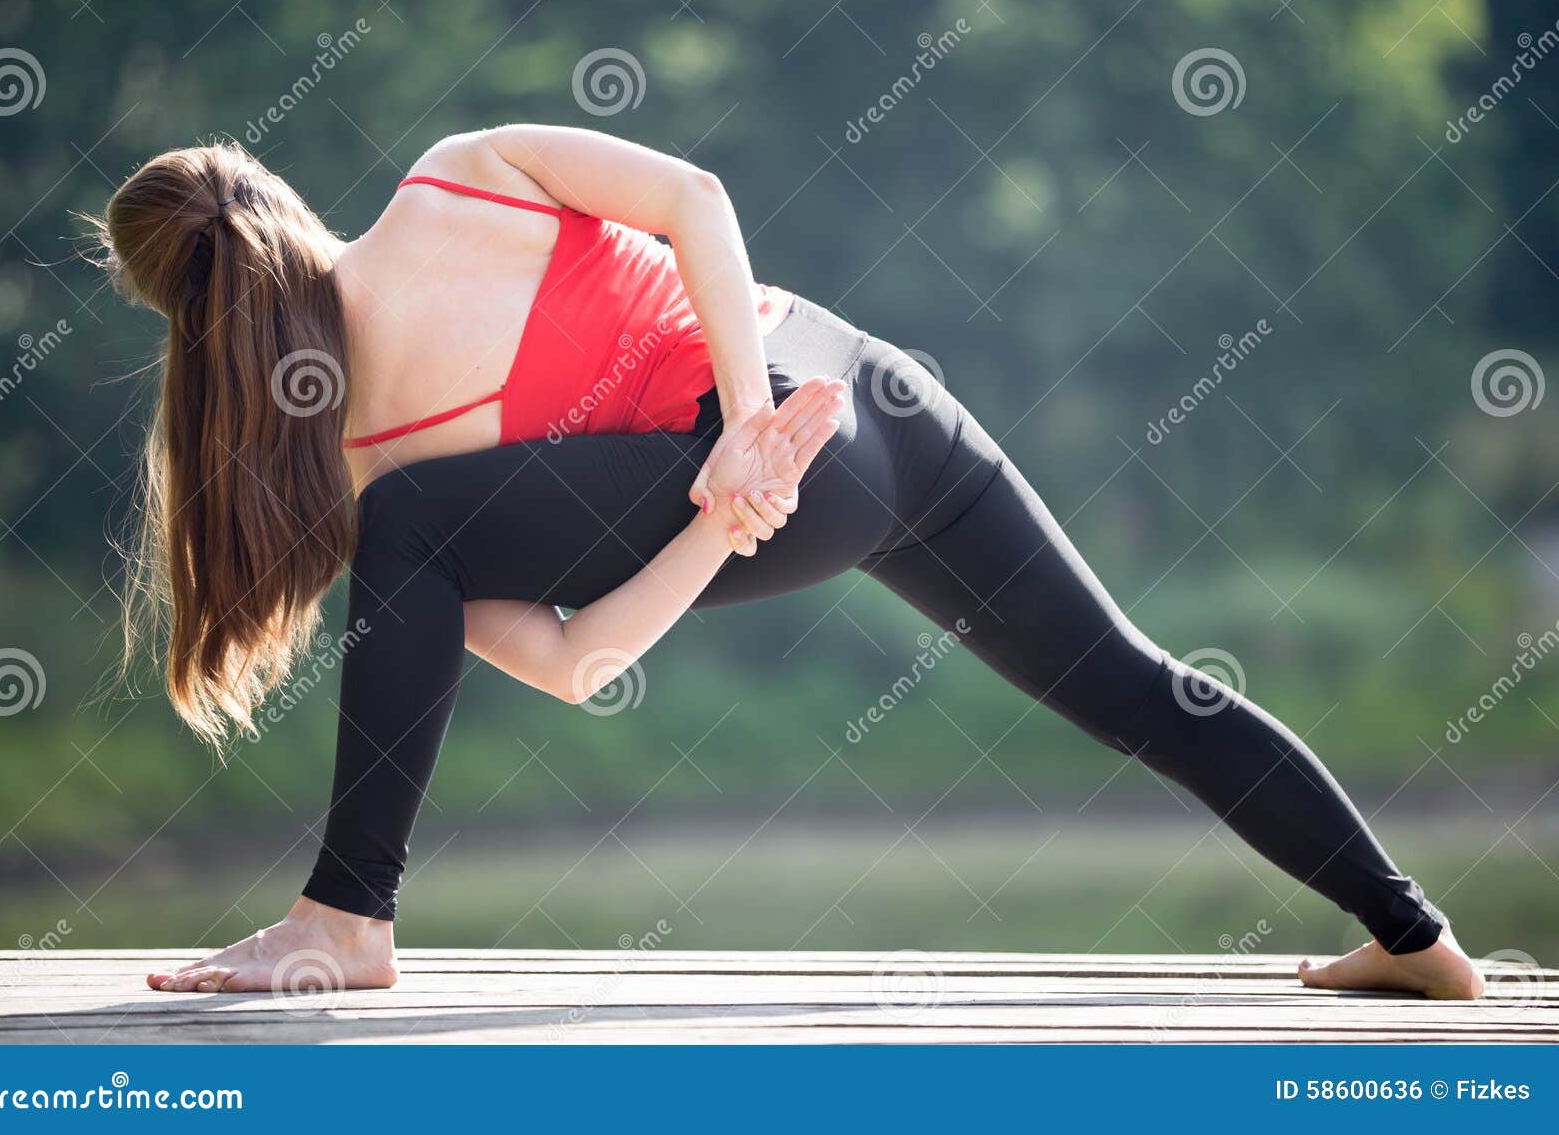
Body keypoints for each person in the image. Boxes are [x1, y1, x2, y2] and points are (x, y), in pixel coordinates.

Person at [96, 127, 1484, 999]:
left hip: (781, 427)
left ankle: (347, 914)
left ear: (187, 327)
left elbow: (585, 664)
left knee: (413, 527)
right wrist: (739, 486)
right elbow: (697, 194)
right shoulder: (459, 171)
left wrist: (744, 445)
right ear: (275, 194)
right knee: (1137, 684)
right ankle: (1420, 934)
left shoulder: (387, 484)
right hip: (869, 386)